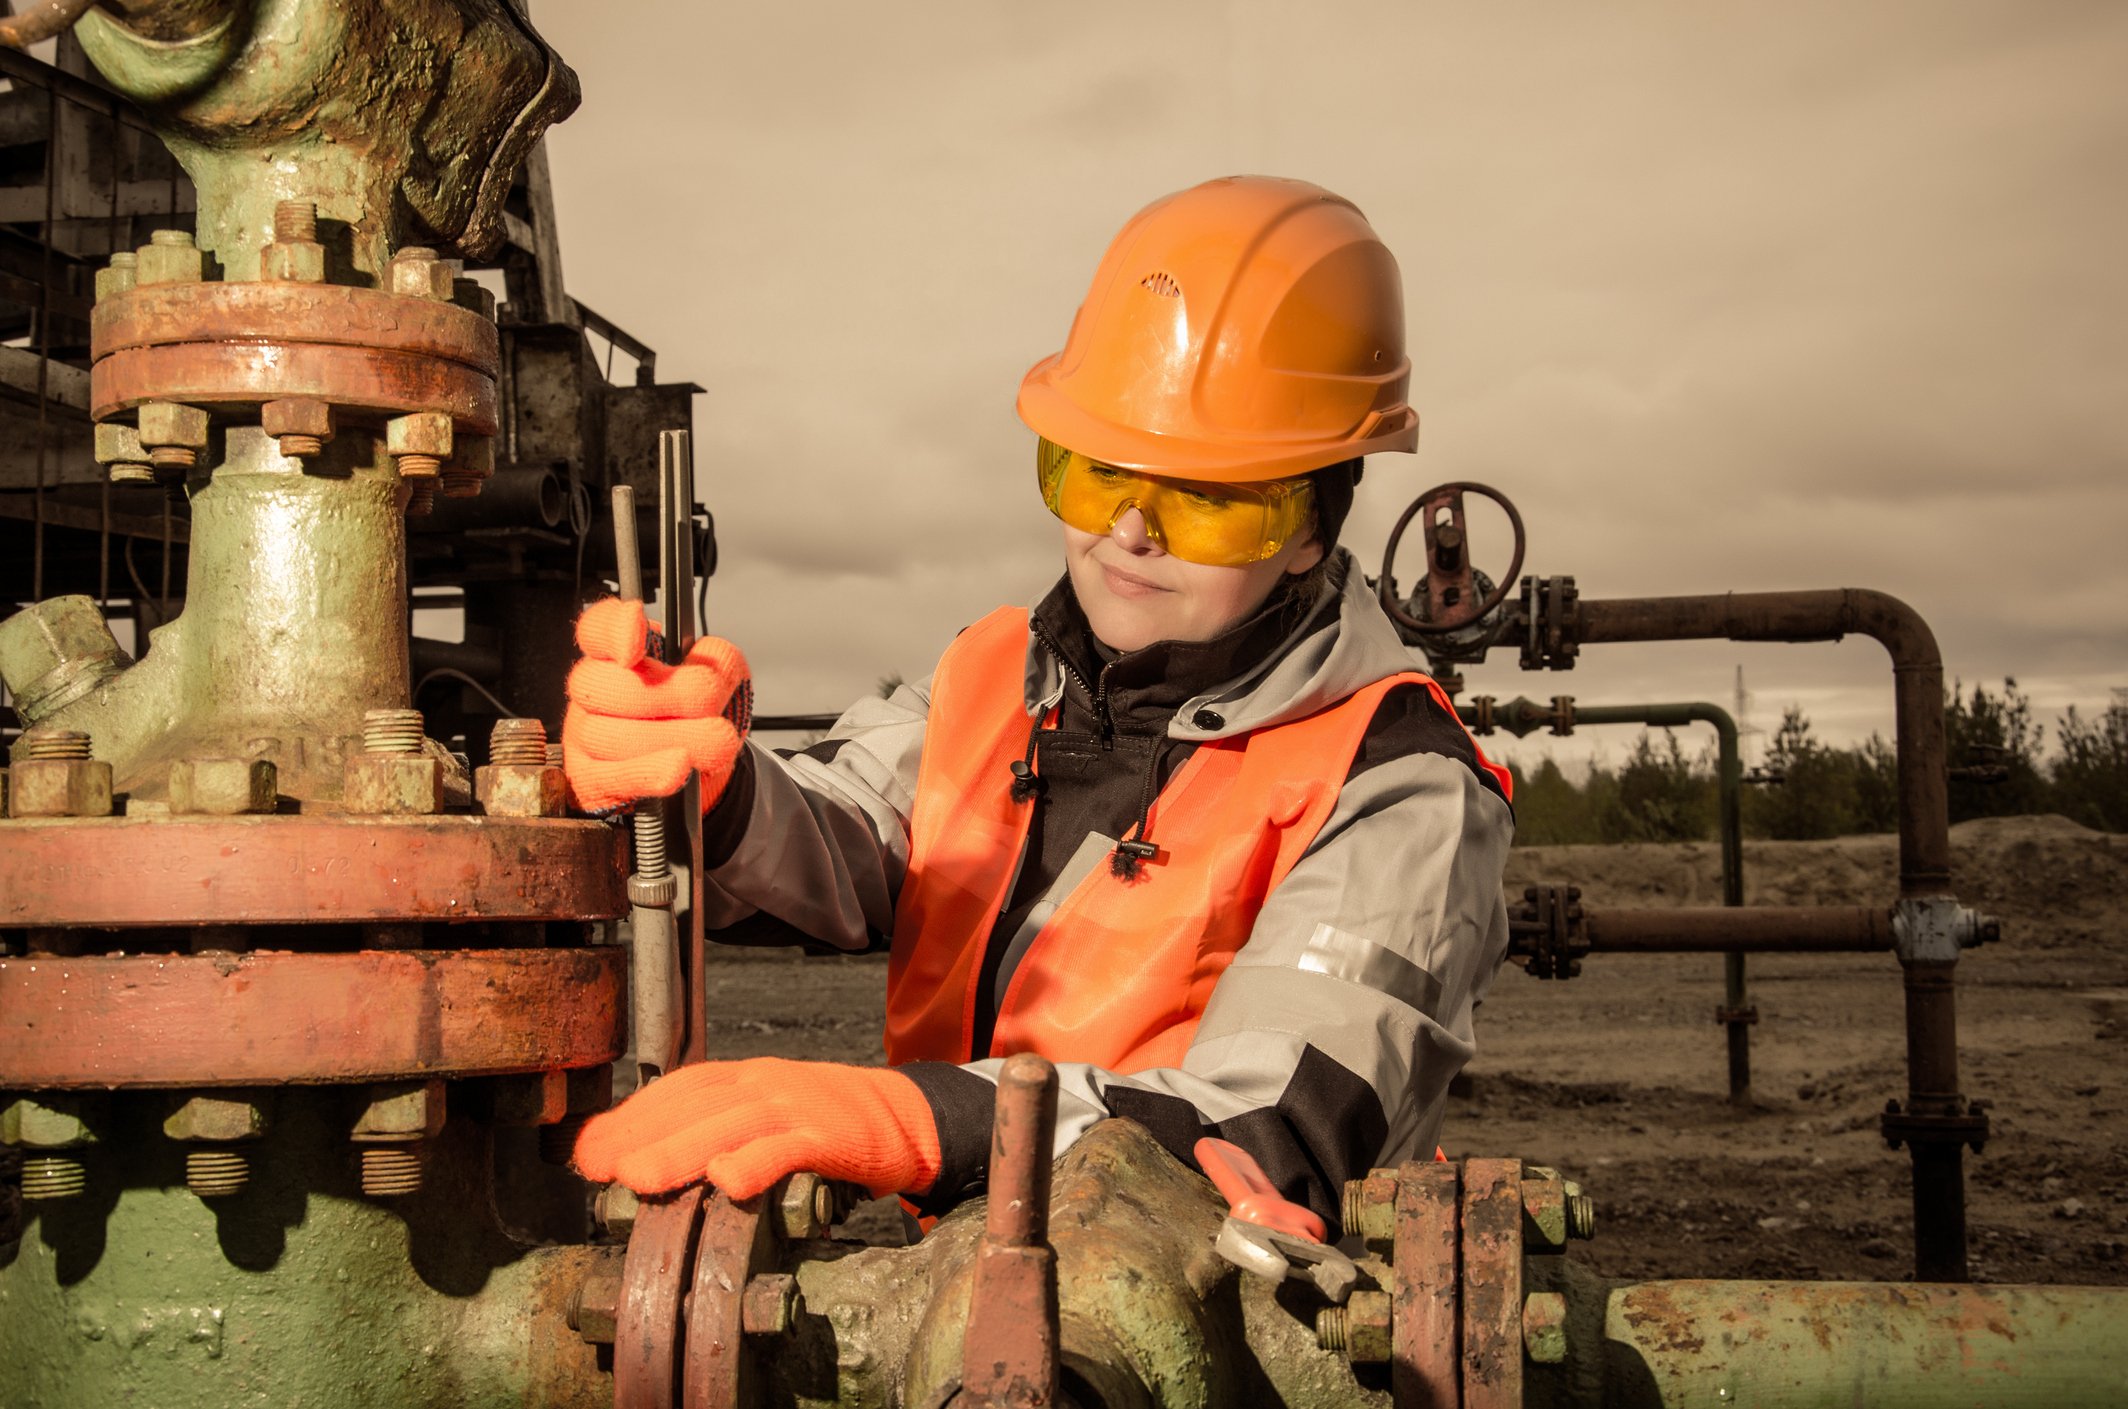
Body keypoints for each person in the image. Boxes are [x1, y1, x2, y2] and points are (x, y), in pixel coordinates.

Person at [562, 175, 1515, 1234]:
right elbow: (849, 841)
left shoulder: (1401, 782)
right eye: (1097, 473)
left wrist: (935, 1121)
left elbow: (1266, 1126)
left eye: (1206, 498)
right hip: (967, 1255)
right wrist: (710, 781)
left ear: (1311, 527)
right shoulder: (991, 667)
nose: (1131, 533)